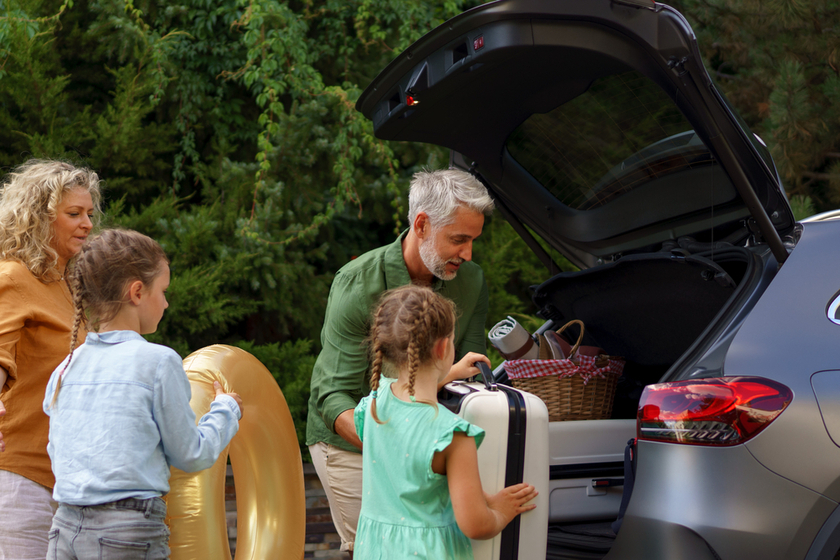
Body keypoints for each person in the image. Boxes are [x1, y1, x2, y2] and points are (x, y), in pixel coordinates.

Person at [306, 168, 495, 555]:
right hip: (353, 445)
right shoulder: (357, 284)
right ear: (421, 225)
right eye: (458, 239)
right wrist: (397, 445)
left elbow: (468, 382)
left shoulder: (471, 281)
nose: (468, 254)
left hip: (429, 443)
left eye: (473, 240)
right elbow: (332, 396)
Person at [42, 229, 243, 559]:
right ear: (136, 291)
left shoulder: (66, 367)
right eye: (162, 291)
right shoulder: (158, 362)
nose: (165, 302)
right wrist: (225, 410)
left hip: (65, 528)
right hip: (128, 530)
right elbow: (191, 454)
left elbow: (57, 451)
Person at [353, 285, 538, 559]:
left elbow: (408, 406)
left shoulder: (372, 405)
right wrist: (501, 511)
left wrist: (450, 372)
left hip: (374, 550)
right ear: (442, 347)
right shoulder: (451, 434)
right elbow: (475, 525)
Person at [0, 159, 100, 560]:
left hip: (71, 484)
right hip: (19, 477)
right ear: (38, 218)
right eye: (73, 213)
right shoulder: (13, 277)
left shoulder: (73, 288)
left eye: (90, 214)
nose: (87, 224)